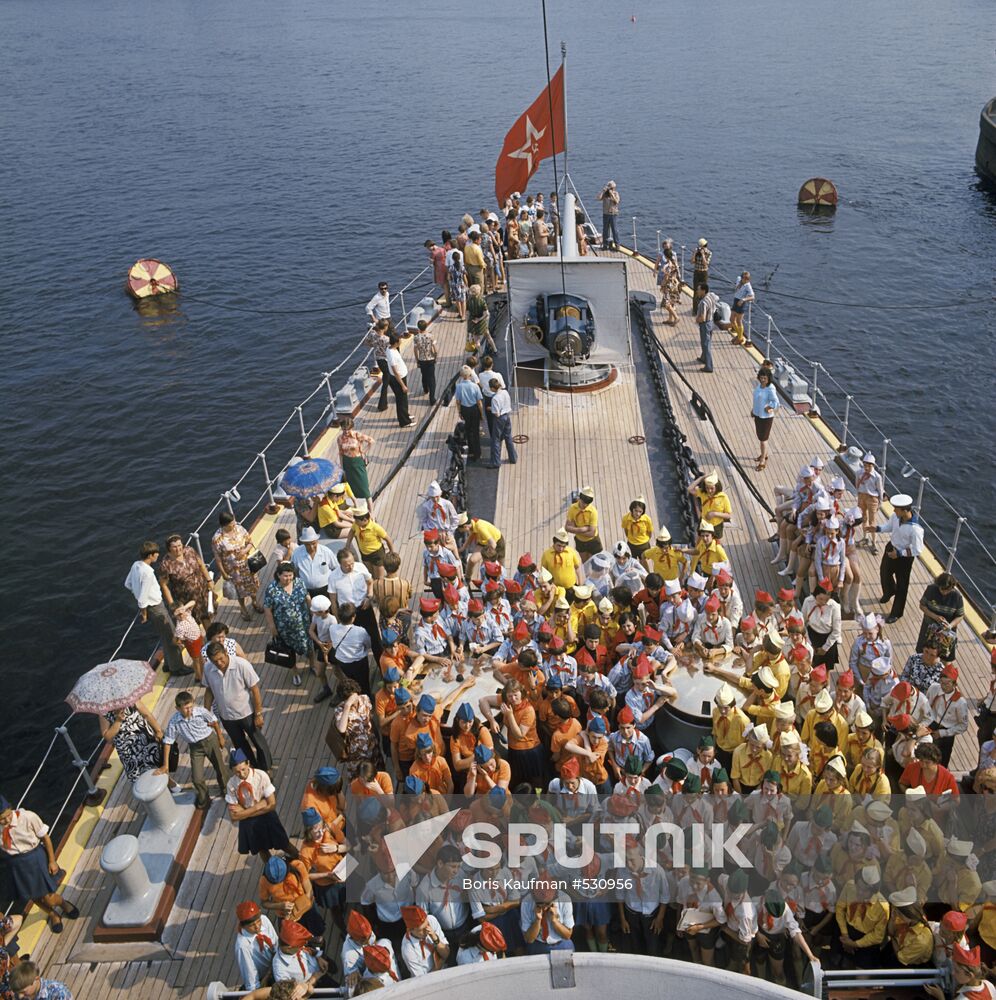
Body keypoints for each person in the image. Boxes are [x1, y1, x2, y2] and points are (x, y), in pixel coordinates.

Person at [0, 799, 79, 934]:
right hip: (15, 865)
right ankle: (52, 914)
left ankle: (63, 904)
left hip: (34, 858)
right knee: (32, 895)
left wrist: (52, 861)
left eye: (8, 815)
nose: (6, 820)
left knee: (49, 897)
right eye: (1, 819)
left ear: (11, 808)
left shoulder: (28, 817)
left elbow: (45, 838)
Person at [123, 541, 191, 675]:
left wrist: (136, 593)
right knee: (171, 636)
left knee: (164, 636)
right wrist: (144, 613)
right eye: (156, 554)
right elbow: (143, 598)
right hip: (155, 607)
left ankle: (168, 665)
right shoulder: (148, 573)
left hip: (151, 607)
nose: (157, 556)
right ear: (151, 555)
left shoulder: (135, 565)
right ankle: (177, 668)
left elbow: (128, 584)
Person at [203, 641, 272, 770]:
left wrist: (258, 714)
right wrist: (206, 713)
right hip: (227, 716)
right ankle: (251, 768)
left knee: (258, 742)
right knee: (240, 744)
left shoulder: (242, 665)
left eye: (220, 659)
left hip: (247, 713)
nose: (218, 663)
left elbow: (255, 689)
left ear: (225, 653)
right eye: (214, 661)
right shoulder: (208, 668)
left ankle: (266, 768)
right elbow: (209, 690)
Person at [159, 690, 230, 810]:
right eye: (186, 708)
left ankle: (226, 791)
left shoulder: (201, 712)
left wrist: (220, 737)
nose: (190, 710)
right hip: (195, 748)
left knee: (220, 768)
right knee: (197, 778)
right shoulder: (174, 721)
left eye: (191, 706)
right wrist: (165, 765)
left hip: (210, 741)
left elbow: (214, 722)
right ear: (178, 708)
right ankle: (204, 798)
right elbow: (168, 742)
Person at [225, 748, 295, 862]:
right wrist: (257, 807)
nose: (241, 774)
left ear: (248, 763)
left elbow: (272, 805)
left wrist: (244, 812)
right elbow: (233, 816)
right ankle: (271, 871)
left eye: (243, 769)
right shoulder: (231, 785)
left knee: (284, 843)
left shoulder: (261, 776)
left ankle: (302, 861)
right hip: (257, 815)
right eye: (237, 772)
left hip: (266, 816)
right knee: (262, 849)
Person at [874, 493, 924, 623]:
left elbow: (917, 549)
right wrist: (877, 529)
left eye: (896, 509)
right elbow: (889, 527)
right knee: (884, 572)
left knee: (902, 585)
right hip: (892, 547)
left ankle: (897, 613)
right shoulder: (896, 517)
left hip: (904, 558)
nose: (894, 510)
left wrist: (900, 553)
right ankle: (890, 591)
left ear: (905, 510)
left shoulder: (916, 529)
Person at [263, 562, 313, 687]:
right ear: (278, 575)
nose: (288, 578)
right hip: (284, 628)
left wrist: (313, 612)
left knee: (309, 645)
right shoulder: (272, 589)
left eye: (290, 575)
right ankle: (295, 672)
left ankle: (312, 665)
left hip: (303, 624)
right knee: (289, 651)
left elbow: (307, 597)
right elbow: (267, 609)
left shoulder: (299, 582)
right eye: (285, 576)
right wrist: (272, 627)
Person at [212, 513, 264, 622]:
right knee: (240, 590)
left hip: (247, 565)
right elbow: (218, 558)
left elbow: (250, 542)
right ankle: (243, 608)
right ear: (224, 525)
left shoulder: (239, 529)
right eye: (231, 523)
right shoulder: (217, 539)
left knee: (252, 585)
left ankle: (254, 601)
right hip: (233, 570)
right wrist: (223, 573)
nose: (234, 524)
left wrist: (244, 551)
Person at [98, 702, 167, 783]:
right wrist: (118, 721)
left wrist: (159, 731)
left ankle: (170, 784)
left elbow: (147, 714)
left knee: (158, 763)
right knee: (138, 775)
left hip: (145, 739)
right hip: (127, 751)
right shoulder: (103, 711)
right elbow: (108, 736)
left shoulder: (130, 699)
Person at [334, 679, 383, 782]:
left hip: (372, 744)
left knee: (378, 770)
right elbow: (341, 729)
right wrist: (347, 706)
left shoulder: (364, 699)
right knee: (360, 776)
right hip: (356, 752)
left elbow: (370, 716)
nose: (353, 700)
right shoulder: (340, 710)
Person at [158, 533, 213, 625]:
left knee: (206, 617)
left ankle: (210, 636)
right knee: (192, 622)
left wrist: (209, 580)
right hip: (185, 599)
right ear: (169, 548)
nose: (178, 549)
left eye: (179, 545)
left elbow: (201, 565)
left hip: (201, 592)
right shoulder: (166, 565)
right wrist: (173, 605)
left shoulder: (189, 551)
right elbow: (164, 585)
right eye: (174, 547)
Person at [916, 572, 964, 661]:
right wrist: (935, 617)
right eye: (942, 589)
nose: (944, 592)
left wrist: (950, 625)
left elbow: (960, 615)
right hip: (928, 627)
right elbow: (922, 606)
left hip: (947, 632)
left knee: (946, 657)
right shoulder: (931, 589)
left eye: (947, 590)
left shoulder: (957, 597)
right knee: (922, 653)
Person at [233, 900, 277, 992]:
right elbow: (250, 975)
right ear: (243, 926)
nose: (257, 927)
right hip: (264, 979)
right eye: (252, 925)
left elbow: (276, 944)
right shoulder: (243, 946)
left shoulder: (264, 920)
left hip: (277, 965)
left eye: (258, 921)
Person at [347, 503, 395, 582]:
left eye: (357, 520)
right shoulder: (356, 525)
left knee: (379, 578)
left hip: (377, 554)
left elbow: (388, 539)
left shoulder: (375, 527)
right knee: (370, 575)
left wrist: (392, 553)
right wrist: (347, 544)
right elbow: (352, 531)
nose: (355, 522)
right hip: (365, 554)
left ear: (365, 520)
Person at [336, 416, 375, 505]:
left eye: (348, 429)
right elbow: (341, 453)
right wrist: (342, 468)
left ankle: (371, 511)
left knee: (364, 487)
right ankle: (356, 506)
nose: (346, 431)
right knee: (351, 487)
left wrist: (363, 452)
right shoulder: (339, 439)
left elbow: (371, 441)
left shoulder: (357, 435)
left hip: (357, 462)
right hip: (347, 463)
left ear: (351, 428)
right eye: (344, 429)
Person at [454, 366, 484, 462]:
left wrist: (459, 412)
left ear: (462, 376)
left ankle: (471, 451)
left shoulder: (459, 386)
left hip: (465, 409)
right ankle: (477, 453)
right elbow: (479, 402)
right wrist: (481, 413)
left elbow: (458, 401)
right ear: (470, 375)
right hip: (474, 409)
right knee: (475, 431)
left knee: (468, 429)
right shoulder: (475, 386)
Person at [752, 367, 780, 471]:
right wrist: (753, 410)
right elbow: (757, 399)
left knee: (763, 439)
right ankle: (765, 453)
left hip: (766, 417)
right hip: (758, 415)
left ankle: (763, 460)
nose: (763, 380)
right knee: (760, 437)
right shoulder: (759, 386)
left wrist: (769, 407)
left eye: (765, 378)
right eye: (761, 378)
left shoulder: (770, 388)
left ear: (768, 379)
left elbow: (775, 402)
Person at [486, 378, 516, 468]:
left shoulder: (495, 399)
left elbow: (497, 413)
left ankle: (495, 462)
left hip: (499, 419)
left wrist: (490, 408)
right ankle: (513, 457)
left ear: (492, 388)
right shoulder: (505, 392)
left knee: (495, 440)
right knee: (508, 437)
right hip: (507, 416)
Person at [385, 333, 414, 428]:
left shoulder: (390, 349)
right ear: (396, 342)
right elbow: (395, 372)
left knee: (403, 399)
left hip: (399, 376)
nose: (401, 341)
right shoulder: (392, 355)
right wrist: (403, 385)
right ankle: (404, 422)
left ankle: (405, 414)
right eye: (400, 340)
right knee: (401, 400)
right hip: (398, 379)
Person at [7, 962, 73, 1000]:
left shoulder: (58, 992)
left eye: (23, 992)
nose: (20, 996)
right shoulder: (22, 992)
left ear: (36, 979)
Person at [412, 320, 438, 405]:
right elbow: (435, 349)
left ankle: (425, 389)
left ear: (418, 327)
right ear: (426, 326)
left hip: (422, 360)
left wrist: (417, 360)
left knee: (424, 375)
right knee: (432, 379)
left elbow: (415, 350)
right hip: (430, 359)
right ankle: (432, 399)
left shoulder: (416, 337)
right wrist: (435, 357)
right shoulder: (431, 336)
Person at [695, 282, 719, 373]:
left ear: (703, 291)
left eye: (699, 290)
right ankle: (703, 357)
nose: (697, 291)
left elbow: (703, 317)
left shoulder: (703, 302)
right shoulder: (711, 296)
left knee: (706, 344)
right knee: (706, 342)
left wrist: (697, 320)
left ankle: (709, 366)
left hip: (705, 324)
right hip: (711, 322)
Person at [730, 270, 755, 345]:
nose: (746, 280)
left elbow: (753, 297)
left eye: (748, 279)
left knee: (738, 321)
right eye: (745, 278)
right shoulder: (738, 279)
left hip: (741, 303)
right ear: (742, 278)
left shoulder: (748, 286)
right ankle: (739, 336)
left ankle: (740, 338)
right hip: (735, 300)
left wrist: (743, 299)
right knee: (731, 319)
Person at [691, 238, 712, 316]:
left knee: (704, 291)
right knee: (696, 291)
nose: (700, 248)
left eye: (701, 247)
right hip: (697, 272)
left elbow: (706, 264)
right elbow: (692, 261)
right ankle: (695, 310)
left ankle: (703, 310)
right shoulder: (696, 252)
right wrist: (694, 254)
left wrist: (703, 255)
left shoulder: (709, 253)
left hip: (704, 273)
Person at [597, 181, 620, 250]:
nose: (611, 189)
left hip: (613, 214)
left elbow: (617, 202)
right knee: (605, 230)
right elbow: (598, 198)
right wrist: (603, 191)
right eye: (610, 188)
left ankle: (617, 245)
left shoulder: (616, 193)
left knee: (614, 230)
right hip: (606, 214)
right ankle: (605, 245)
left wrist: (612, 194)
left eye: (612, 188)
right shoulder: (605, 195)